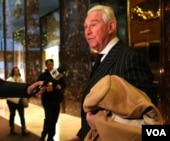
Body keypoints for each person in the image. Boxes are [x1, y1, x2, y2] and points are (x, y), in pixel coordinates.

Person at [66, 5, 158, 141]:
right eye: (85, 27)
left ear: (111, 27)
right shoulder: (101, 58)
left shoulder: (129, 58)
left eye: (93, 25)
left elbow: (149, 112)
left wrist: (100, 122)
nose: (87, 32)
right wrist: (80, 137)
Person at [37, 59, 66, 141]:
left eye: (52, 64)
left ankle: (51, 137)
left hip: (56, 100)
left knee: (54, 119)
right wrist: (45, 88)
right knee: (49, 119)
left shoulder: (56, 74)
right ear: (46, 66)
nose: (51, 66)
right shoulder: (43, 75)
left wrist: (60, 87)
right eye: (49, 64)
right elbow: (38, 87)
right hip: (47, 101)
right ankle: (43, 136)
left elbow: (64, 84)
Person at [6, 66, 30, 136]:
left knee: (22, 115)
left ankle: (23, 129)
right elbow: (7, 90)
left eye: (17, 71)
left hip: (19, 100)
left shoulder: (21, 80)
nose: (16, 72)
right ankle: (12, 128)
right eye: (15, 71)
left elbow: (24, 88)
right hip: (11, 100)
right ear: (13, 72)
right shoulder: (9, 80)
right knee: (12, 114)